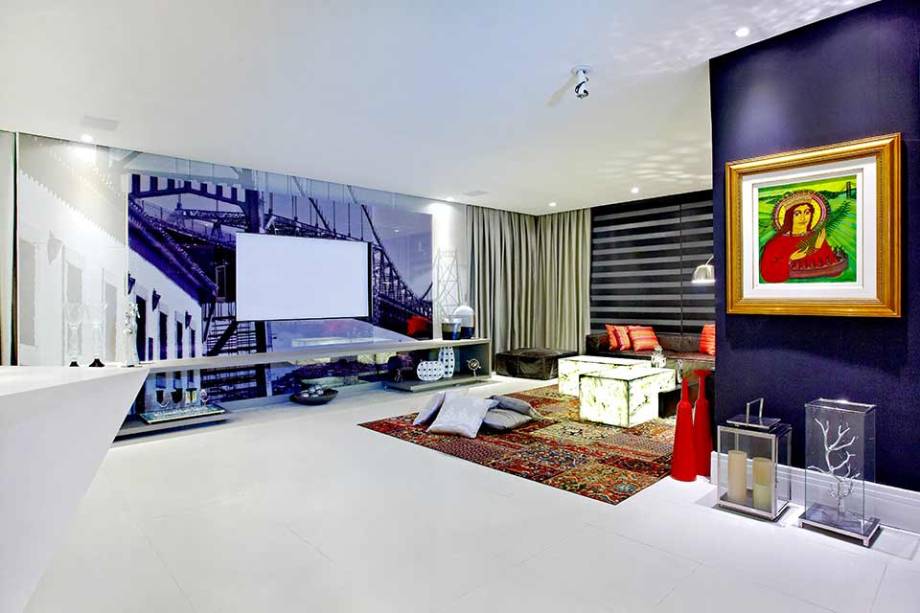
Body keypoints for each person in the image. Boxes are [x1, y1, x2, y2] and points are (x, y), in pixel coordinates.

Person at [760, 199, 840, 283]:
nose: (803, 218)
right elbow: (768, 274)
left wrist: (817, 247)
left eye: (807, 212)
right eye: (797, 214)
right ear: (789, 216)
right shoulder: (776, 242)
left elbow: (834, 270)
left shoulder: (817, 238)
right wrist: (790, 258)